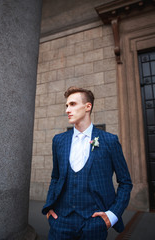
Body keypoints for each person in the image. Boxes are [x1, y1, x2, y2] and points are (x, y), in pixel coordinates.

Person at [42, 86, 133, 240]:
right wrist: (50, 207)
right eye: (66, 105)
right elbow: (55, 177)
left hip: (94, 223)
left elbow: (125, 182)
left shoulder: (109, 141)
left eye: (72, 104)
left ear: (87, 107)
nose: (67, 110)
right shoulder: (59, 140)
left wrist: (112, 215)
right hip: (61, 221)